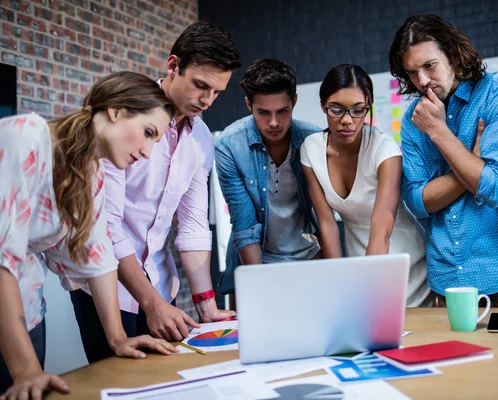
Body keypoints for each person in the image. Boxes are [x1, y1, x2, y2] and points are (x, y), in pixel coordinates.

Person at [68, 21, 241, 364]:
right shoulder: (128, 119)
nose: (207, 100)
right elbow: (108, 226)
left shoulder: (203, 139)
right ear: (173, 66)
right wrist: (150, 304)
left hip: (163, 287)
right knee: (119, 383)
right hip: (108, 287)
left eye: (217, 92)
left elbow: (192, 225)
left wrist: (206, 303)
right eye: (200, 86)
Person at [0, 71, 178, 399]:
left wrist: (117, 338)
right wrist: (25, 369)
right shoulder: (25, 136)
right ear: (117, 112)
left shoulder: (89, 173)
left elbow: (96, 256)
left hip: (25, 314)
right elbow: (1, 260)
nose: (148, 152)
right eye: (148, 133)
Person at [389, 14, 498, 307]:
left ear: (453, 54)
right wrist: (471, 164)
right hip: (448, 280)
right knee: (456, 356)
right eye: (412, 73)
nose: (422, 81)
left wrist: (439, 132)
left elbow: (493, 188)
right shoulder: (415, 121)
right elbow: (417, 202)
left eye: (429, 66)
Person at [300, 64, 430, 307]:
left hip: (402, 261)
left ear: (368, 105)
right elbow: (327, 224)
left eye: (358, 110)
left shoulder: (384, 149)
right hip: (358, 261)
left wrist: (369, 288)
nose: (347, 120)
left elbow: (381, 229)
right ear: (323, 105)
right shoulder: (311, 149)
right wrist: (339, 280)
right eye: (336, 109)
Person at [215, 59, 322, 308]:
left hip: (310, 260)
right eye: (263, 112)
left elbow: (325, 213)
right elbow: (244, 224)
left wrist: (331, 269)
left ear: (294, 102)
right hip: (256, 264)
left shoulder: (314, 139)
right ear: (248, 105)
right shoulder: (229, 146)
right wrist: (260, 287)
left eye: (282, 111)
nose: (274, 123)